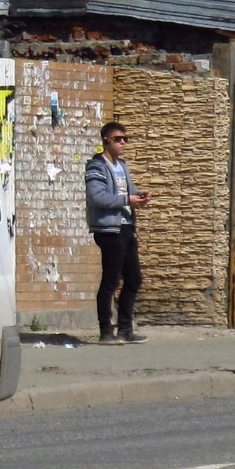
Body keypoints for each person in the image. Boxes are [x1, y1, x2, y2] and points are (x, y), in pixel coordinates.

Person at [85, 121, 150, 345]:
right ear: (106, 140)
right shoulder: (96, 166)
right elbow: (97, 197)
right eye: (118, 139)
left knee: (134, 278)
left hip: (125, 227)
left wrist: (139, 198)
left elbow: (129, 192)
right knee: (111, 280)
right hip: (108, 229)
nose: (123, 143)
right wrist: (126, 200)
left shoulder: (121, 166)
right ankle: (105, 331)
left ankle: (125, 329)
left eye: (125, 139)